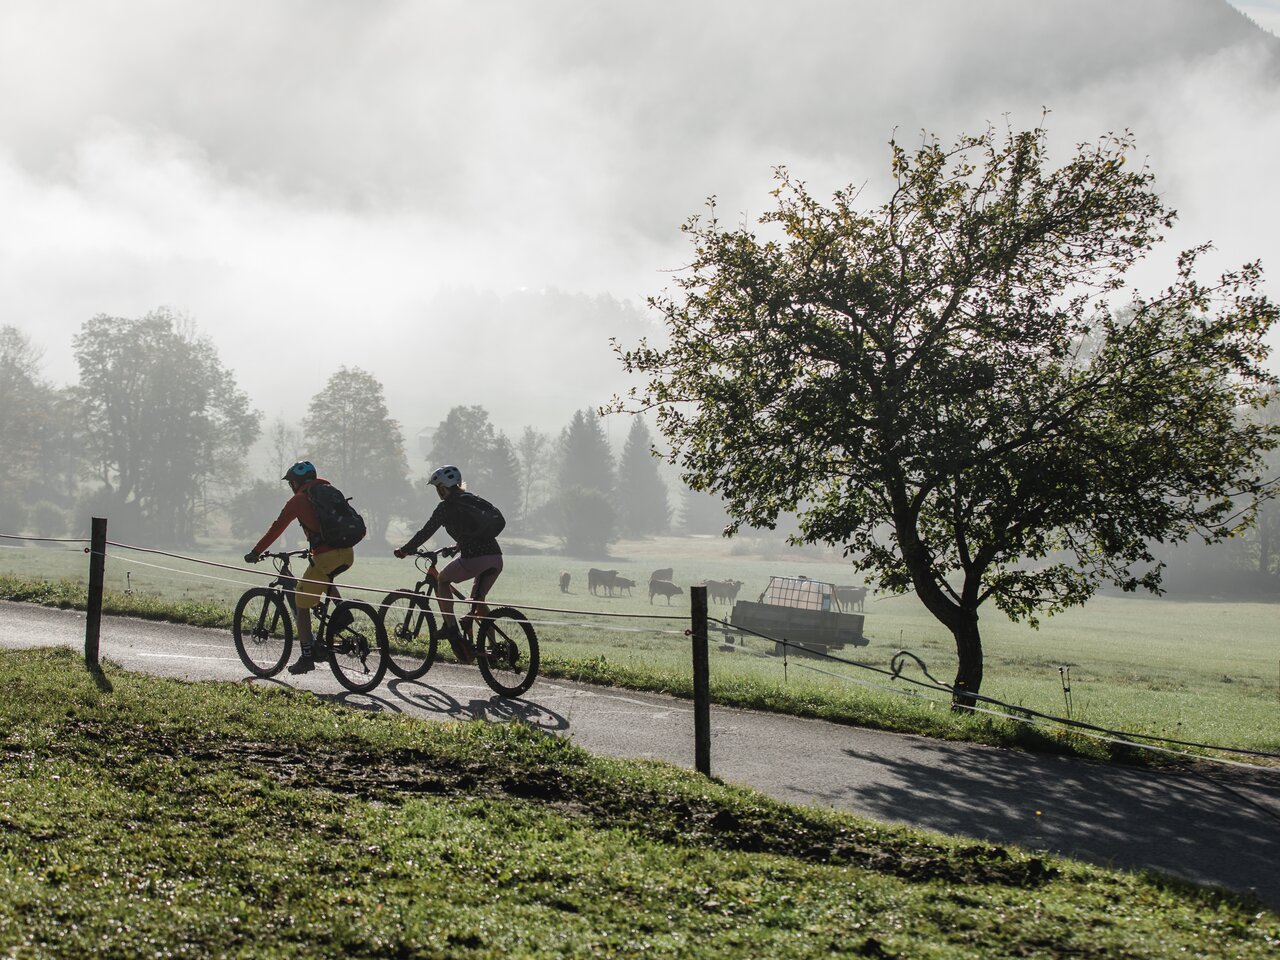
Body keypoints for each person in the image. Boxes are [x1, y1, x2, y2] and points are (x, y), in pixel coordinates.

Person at [244, 460, 355, 675]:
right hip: (347, 553)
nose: (290, 487)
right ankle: (343, 612)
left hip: (326, 556)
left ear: (297, 482)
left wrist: (256, 552)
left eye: (291, 483)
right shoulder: (329, 491)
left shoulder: (298, 500)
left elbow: (277, 528)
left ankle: (306, 657)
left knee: (300, 604)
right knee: (323, 578)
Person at [394, 464, 503, 663]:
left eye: (437, 488)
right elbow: (474, 531)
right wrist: (458, 546)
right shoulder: (471, 500)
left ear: (443, 487)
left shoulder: (445, 508)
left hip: (474, 559)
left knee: (442, 580)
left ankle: (451, 627)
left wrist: (405, 550)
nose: (438, 492)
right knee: (478, 601)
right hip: (496, 558)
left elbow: (425, 532)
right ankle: (494, 647)